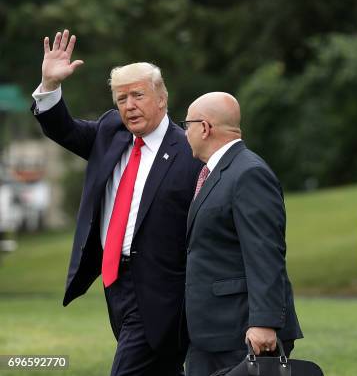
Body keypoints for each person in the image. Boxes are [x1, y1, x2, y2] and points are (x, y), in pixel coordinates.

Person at [31, 30, 202, 375]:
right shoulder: (111, 133)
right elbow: (62, 128)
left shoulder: (190, 151)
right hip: (115, 283)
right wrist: (49, 85)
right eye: (122, 99)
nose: (129, 106)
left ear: (162, 98)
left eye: (138, 95)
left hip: (162, 289)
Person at [181, 92, 303, 376]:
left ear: (204, 127)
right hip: (210, 331)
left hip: (241, 332)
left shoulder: (248, 173)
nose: (185, 132)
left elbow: (265, 252)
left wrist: (264, 322)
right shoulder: (218, 172)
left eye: (186, 124)